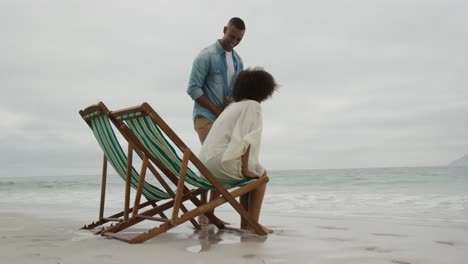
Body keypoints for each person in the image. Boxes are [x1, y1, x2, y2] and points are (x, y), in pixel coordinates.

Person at [198, 67, 277, 233]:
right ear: (264, 90)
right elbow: (246, 138)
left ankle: (246, 224)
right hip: (221, 165)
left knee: (252, 173)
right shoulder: (253, 106)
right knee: (260, 176)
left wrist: (247, 168)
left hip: (205, 168)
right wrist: (245, 168)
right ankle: (253, 225)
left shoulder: (231, 107)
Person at [187, 17, 246, 224]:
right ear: (224, 30)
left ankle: (207, 211)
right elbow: (193, 88)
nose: (233, 41)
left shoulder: (238, 61)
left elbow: (236, 91)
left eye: (238, 39)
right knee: (216, 159)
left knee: (211, 161)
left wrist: (233, 100)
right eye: (231, 36)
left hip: (224, 119)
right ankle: (207, 212)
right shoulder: (206, 56)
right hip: (205, 116)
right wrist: (217, 109)